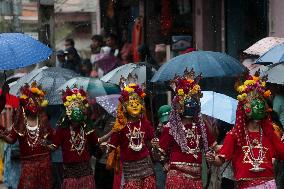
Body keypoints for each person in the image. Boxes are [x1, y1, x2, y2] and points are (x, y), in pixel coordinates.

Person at [206, 73, 284, 188]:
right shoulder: (235, 135)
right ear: (244, 107)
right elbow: (220, 160)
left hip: (268, 184)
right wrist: (213, 159)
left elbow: (282, 154)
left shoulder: (269, 133)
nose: (258, 106)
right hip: (245, 185)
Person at [152, 68, 218, 188]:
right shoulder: (171, 128)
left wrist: (231, 145)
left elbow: (214, 147)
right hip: (177, 177)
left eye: (193, 99)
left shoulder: (201, 127)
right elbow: (159, 156)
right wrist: (155, 149)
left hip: (197, 179)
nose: (191, 103)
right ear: (178, 103)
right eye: (187, 100)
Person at [106, 75, 156, 189]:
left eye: (137, 102)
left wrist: (155, 146)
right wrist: (108, 147)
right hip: (130, 173)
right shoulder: (120, 128)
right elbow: (110, 147)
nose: (134, 105)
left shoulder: (145, 124)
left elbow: (151, 144)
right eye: (130, 103)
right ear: (124, 106)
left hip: (147, 170)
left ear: (142, 105)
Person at [0, 81, 52, 189]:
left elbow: (53, 137)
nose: (34, 104)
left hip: (44, 163)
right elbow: (11, 139)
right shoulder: (20, 122)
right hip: (28, 165)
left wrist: (49, 144)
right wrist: (2, 136)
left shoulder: (43, 120)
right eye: (31, 101)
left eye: (36, 101)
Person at [49, 86, 98, 189]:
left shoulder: (86, 127)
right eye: (74, 120)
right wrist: (42, 144)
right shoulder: (62, 129)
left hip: (86, 173)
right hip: (70, 174)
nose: (76, 122)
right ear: (68, 113)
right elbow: (54, 146)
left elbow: (95, 142)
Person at [154, 105, 171, 189]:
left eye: (168, 122)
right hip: (160, 165)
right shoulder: (157, 132)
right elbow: (156, 154)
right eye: (164, 123)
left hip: (173, 164)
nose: (166, 125)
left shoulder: (178, 130)